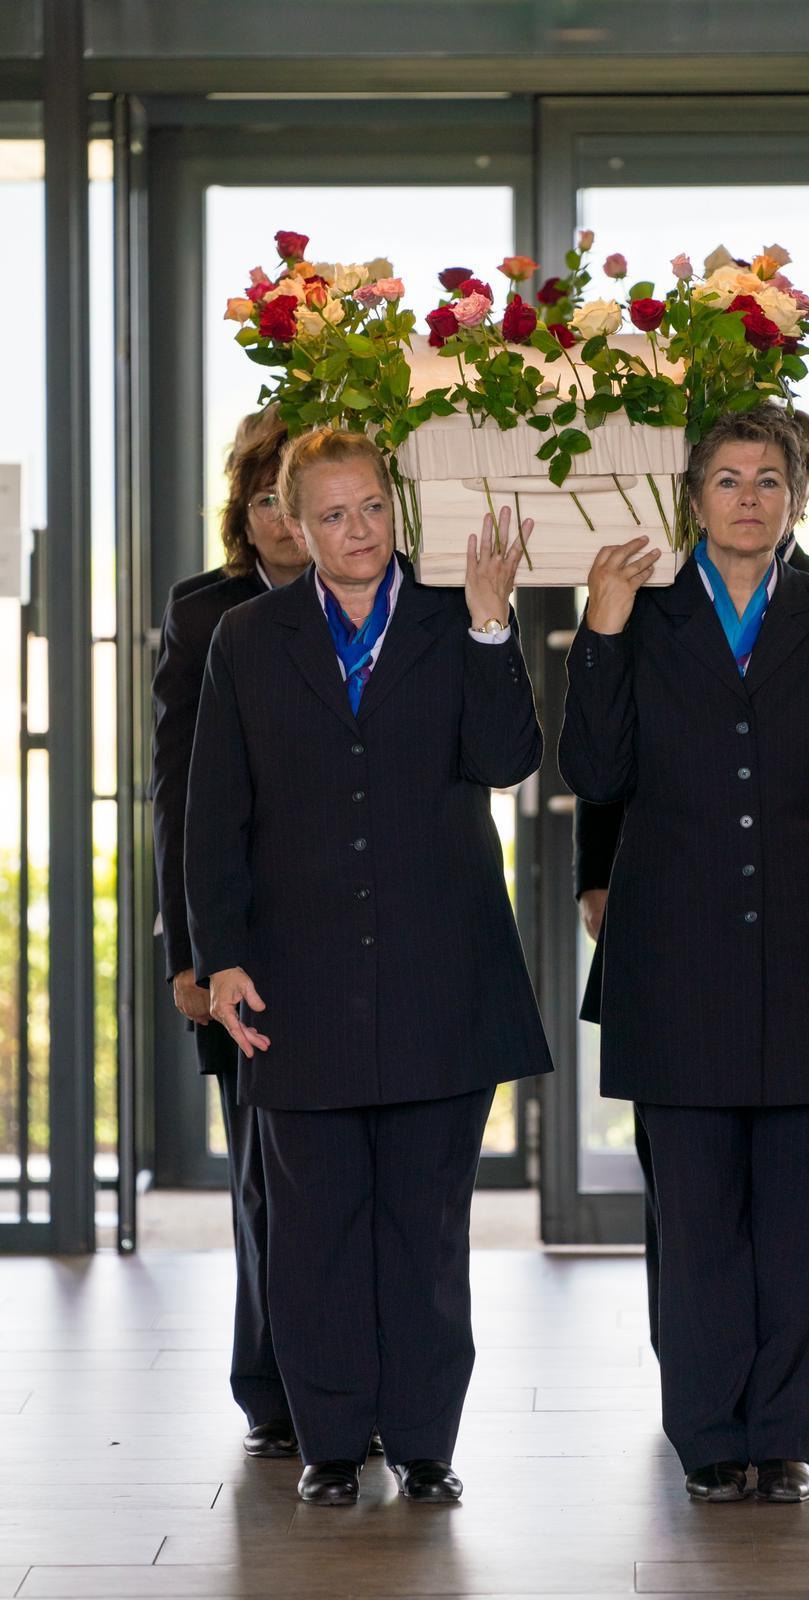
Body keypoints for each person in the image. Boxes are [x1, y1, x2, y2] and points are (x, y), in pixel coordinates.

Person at [558, 404, 809, 1505]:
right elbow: (595, 767)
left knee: (803, 1219)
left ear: (799, 498)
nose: (747, 497)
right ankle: (709, 1434)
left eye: (767, 479)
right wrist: (600, 627)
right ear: (693, 497)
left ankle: (785, 1433)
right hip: (671, 966)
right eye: (726, 479)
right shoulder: (641, 612)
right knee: (694, 1219)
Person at [184, 426, 552, 1507]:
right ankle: (333, 1444)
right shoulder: (247, 640)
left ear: (398, 511)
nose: (357, 532)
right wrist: (224, 960)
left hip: (445, 980)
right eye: (333, 514)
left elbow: (508, 761)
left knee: (427, 1225)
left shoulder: (456, 617)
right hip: (296, 986)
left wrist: (495, 625)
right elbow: (214, 815)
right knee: (315, 1227)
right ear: (297, 525)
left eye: (373, 510)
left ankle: (427, 1440)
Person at [151, 405, 308, 1459]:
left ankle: (353, 1386)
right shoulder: (207, 614)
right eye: (265, 499)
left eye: (298, 496)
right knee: (264, 1173)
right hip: (236, 934)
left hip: (353, 932)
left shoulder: (398, 609)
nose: (287, 521)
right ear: (243, 516)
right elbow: (178, 793)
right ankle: (277, 1392)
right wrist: (190, 955)